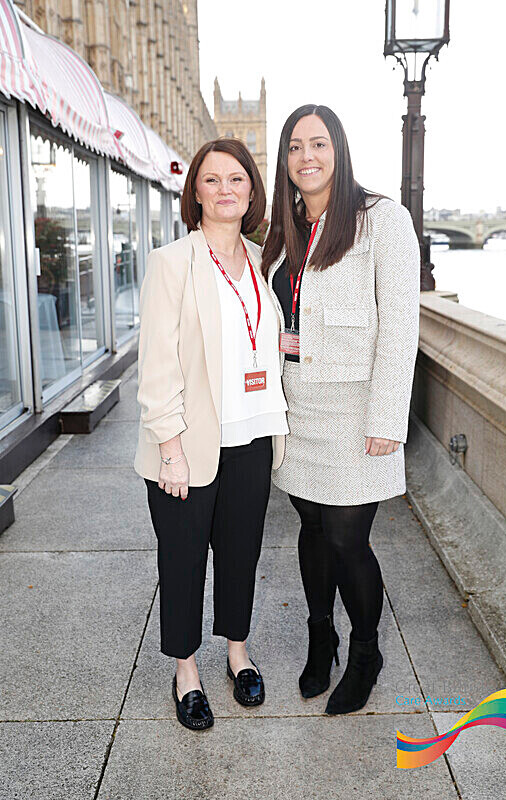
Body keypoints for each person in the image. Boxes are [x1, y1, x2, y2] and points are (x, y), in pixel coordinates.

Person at [261, 105, 420, 715]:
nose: (306, 156)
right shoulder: (286, 226)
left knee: (350, 537)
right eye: (295, 146)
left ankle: (364, 651)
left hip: (357, 409)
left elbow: (401, 327)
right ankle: (319, 635)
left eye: (318, 143)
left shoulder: (383, 219)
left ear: (339, 149)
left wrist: (388, 419)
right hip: (298, 407)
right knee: (311, 526)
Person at [134, 138, 288, 731]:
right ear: (194, 192)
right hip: (187, 446)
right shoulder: (173, 262)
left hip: (250, 436)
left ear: (252, 191)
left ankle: (237, 653)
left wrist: (277, 345)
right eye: (212, 180)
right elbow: (158, 364)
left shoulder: (259, 260)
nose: (226, 189)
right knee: (182, 559)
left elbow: (245, 335)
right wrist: (169, 449)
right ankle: (187, 670)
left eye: (237, 180)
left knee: (241, 554)